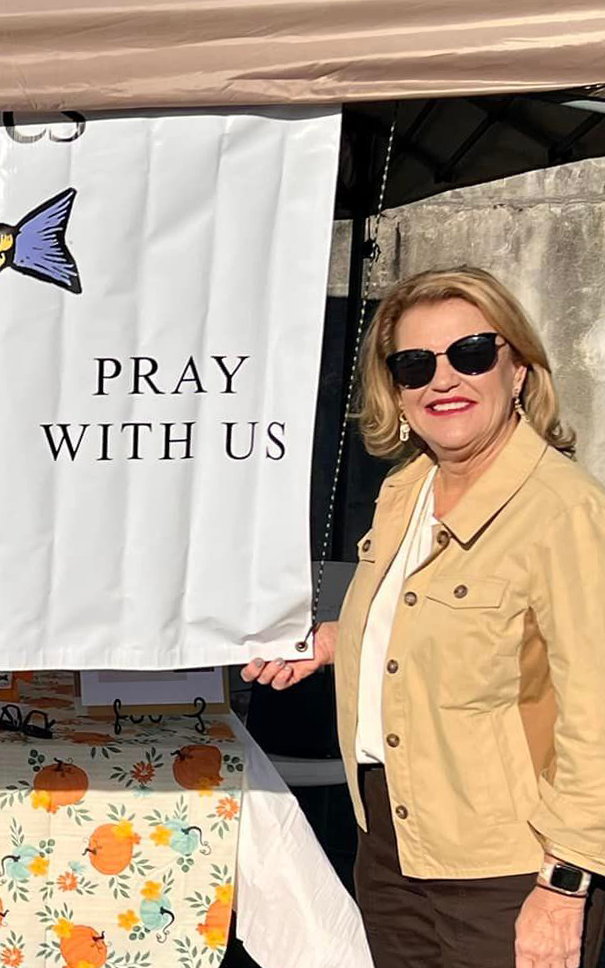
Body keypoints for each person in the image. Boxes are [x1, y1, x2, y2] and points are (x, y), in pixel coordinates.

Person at [243, 267, 605, 968]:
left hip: (504, 868)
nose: (443, 380)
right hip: (389, 843)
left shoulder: (562, 510)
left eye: (470, 354)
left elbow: (597, 710)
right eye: (414, 365)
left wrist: (562, 884)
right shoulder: (406, 489)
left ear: (519, 370)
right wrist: (335, 642)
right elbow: (455, 634)